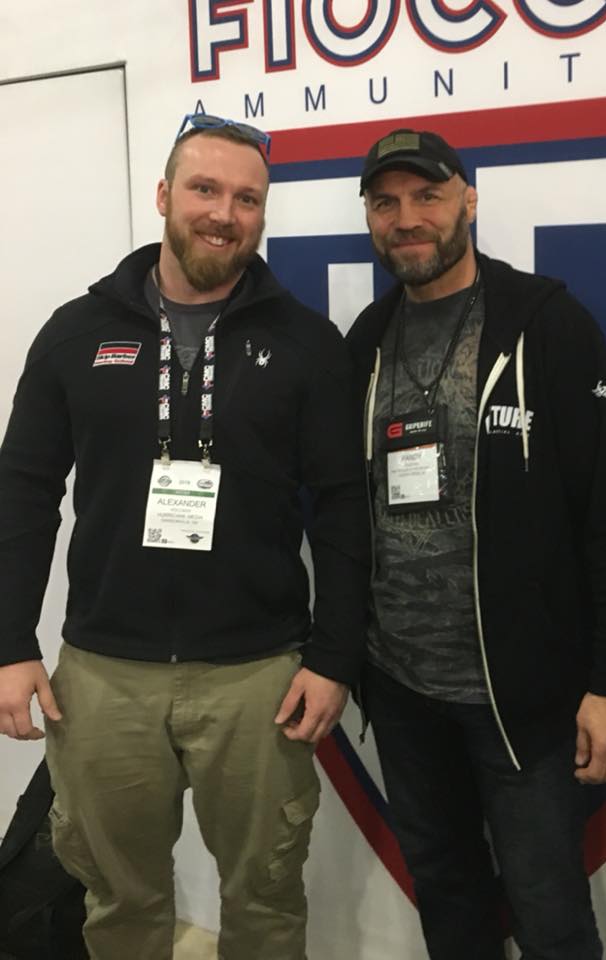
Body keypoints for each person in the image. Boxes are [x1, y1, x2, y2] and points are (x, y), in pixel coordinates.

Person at [0, 108, 368, 960]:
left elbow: (344, 507)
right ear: (165, 194)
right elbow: (24, 491)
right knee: (119, 903)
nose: (224, 214)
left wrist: (335, 656)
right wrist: (11, 641)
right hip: (104, 676)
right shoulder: (76, 333)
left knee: (265, 900)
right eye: (205, 189)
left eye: (247, 198)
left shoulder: (306, 343)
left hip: (260, 677)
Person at [346, 128, 606, 959]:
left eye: (428, 196)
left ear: (469, 202)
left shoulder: (546, 324)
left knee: (549, 912)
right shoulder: (365, 341)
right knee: (446, 895)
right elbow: (342, 514)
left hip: (520, 694)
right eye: (386, 202)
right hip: (400, 690)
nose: (407, 218)